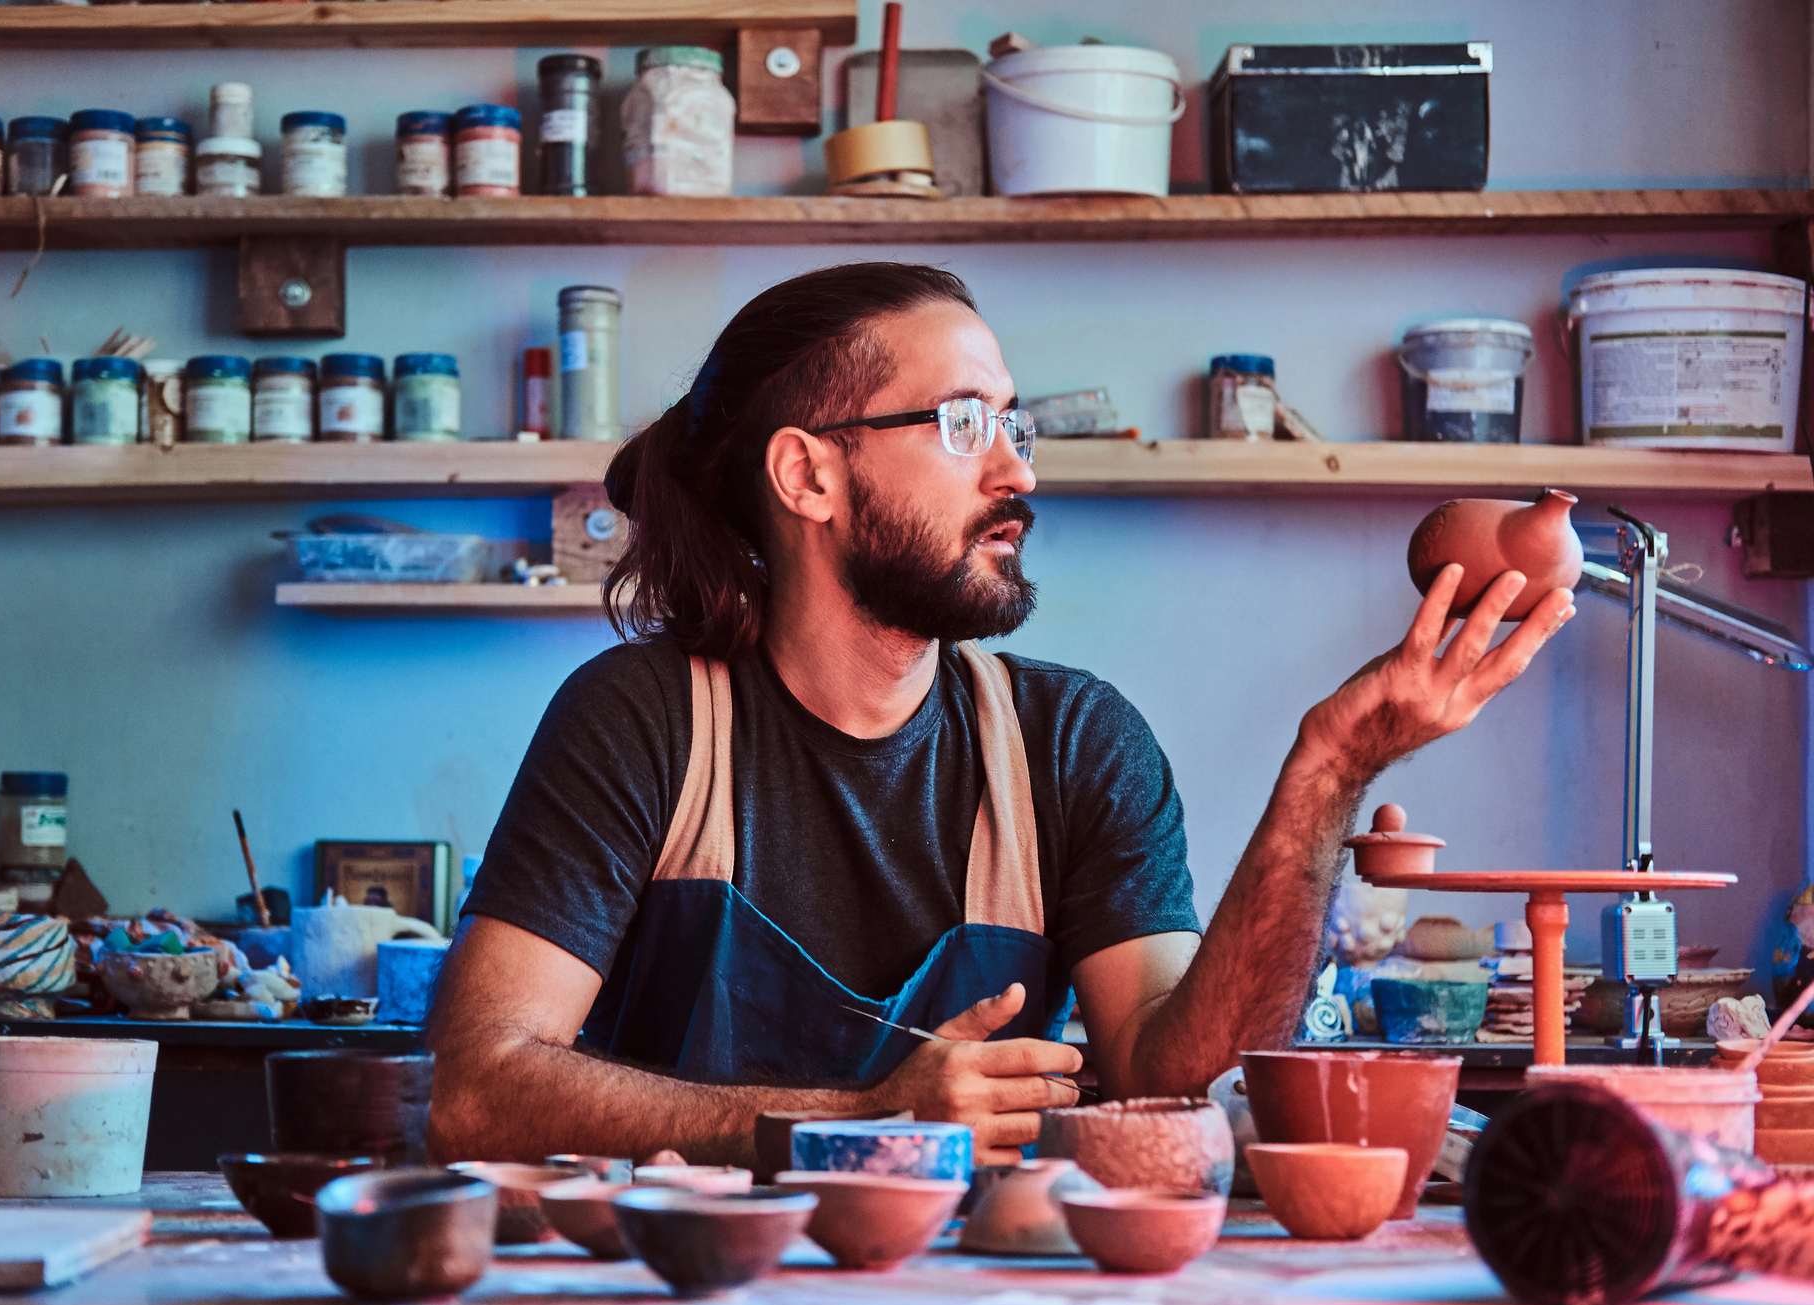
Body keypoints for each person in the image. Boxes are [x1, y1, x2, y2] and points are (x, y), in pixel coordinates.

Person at [427, 262, 1574, 1166]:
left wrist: (1329, 767)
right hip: (691, 1295)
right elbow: (474, 1088)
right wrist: (858, 1120)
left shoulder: (1072, 743)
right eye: (963, 425)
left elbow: (1163, 1071)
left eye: (1012, 428)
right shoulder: (643, 722)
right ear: (807, 476)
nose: (1017, 474)